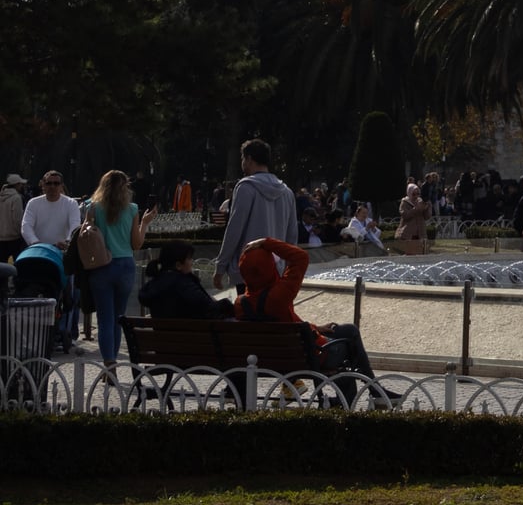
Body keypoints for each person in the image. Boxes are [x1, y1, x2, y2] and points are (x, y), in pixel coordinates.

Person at [233, 235, 386, 395]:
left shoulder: (240, 304)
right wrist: (266, 242)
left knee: (346, 331)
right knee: (350, 334)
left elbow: (287, 323)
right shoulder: (279, 295)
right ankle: (375, 392)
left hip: (276, 358)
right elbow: (300, 257)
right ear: (268, 266)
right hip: (313, 355)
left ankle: (373, 391)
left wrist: (315, 328)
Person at [80, 168, 150, 364]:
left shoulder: (92, 207)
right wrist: (144, 224)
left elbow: (86, 236)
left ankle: (109, 364)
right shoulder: (132, 209)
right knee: (118, 319)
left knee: (104, 320)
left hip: (101, 265)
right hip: (125, 265)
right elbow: (136, 245)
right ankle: (113, 362)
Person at [215, 140, 298, 288]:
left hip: (248, 268)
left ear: (249, 159)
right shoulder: (287, 192)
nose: (242, 163)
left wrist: (220, 267)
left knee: (248, 310)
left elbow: (234, 229)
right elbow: (292, 236)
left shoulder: (246, 187)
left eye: (242, 158)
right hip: (276, 269)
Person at [141, 240, 234, 321]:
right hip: (196, 337)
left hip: (164, 338)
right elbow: (208, 307)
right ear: (178, 265)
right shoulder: (183, 284)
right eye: (189, 258)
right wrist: (227, 304)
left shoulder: (153, 286)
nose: (192, 261)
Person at [20, 169, 80, 249]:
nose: (52, 186)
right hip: (38, 250)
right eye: (48, 183)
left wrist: (68, 241)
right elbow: (26, 226)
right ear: (43, 185)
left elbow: (75, 225)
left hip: (62, 250)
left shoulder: (71, 203)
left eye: (56, 183)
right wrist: (34, 242)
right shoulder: (33, 203)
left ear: (62, 186)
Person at [393, 183, 430, 257]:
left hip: (420, 233)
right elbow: (405, 215)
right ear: (409, 193)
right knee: (410, 255)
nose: (416, 196)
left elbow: (427, 217)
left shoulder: (420, 201)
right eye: (414, 194)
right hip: (408, 233)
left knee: (421, 254)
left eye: (418, 193)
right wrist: (416, 209)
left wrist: (427, 207)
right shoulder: (404, 202)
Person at [0, 173, 24, 264]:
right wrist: (20, 232)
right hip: (13, 237)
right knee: (17, 263)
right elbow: (17, 218)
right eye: (20, 184)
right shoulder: (16, 198)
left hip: (1, 237)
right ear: (17, 185)